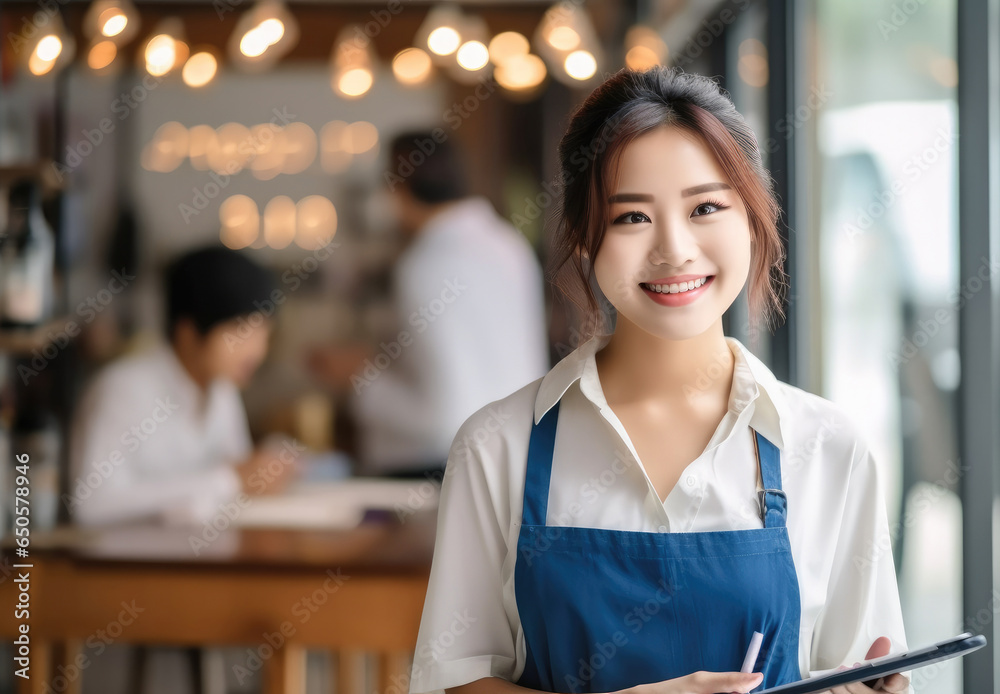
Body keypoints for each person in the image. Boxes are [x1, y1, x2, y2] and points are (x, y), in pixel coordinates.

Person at [408, 66, 910, 694]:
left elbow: (868, 673)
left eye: (706, 207)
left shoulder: (828, 447)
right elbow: (449, 682)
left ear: (751, 223)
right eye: (631, 218)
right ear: (586, 242)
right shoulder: (497, 446)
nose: (674, 250)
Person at [309, 131, 549, 478]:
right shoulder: (507, 244)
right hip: (512, 458)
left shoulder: (425, 264)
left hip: (437, 469)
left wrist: (359, 378)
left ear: (395, 188)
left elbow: (444, 413)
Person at [68, 245, 296, 527]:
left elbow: (237, 481)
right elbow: (92, 505)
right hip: (130, 569)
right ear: (188, 332)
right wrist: (229, 478)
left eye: (264, 333)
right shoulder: (123, 389)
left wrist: (262, 471)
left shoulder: (221, 391)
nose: (256, 350)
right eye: (240, 331)